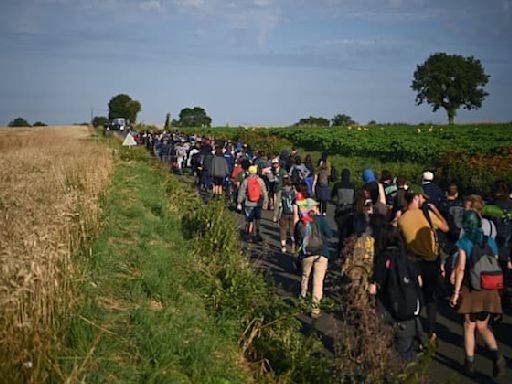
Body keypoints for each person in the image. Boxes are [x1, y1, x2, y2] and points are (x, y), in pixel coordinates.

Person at [450, 210, 505, 377]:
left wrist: (455, 292)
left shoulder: (464, 243)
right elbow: (494, 259)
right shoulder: (490, 241)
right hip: (490, 289)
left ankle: (470, 363)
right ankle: (496, 355)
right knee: (483, 326)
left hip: (472, 290)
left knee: (469, 326)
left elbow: (460, 269)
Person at [397, 186, 449, 344]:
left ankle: (417, 332)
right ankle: (432, 331)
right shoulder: (427, 215)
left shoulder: (402, 220)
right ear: (417, 197)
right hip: (431, 262)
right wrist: (437, 212)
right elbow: (446, 228)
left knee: (416, 296)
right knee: (431, 298)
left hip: (414, 263)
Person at [297, 198, 333, 318]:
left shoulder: (301, 222)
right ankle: (315, 309)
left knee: (305, 277)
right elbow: (329, 234)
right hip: (322, 253)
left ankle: (302, 300)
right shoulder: (320, 220)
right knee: (318, 282)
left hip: (306, 253)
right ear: (314, 208)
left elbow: (297, 238)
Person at [237, 165, 269, 242]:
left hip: (248, 203)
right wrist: (266, 202)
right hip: (258, 203)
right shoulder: (260, 180)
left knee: (249, 220)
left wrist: (239, 202)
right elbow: (264, 191)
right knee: (257, 219)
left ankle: (250, 235)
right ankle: (257, 233)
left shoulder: (246, 181)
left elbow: (241, 192)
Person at [331, 168, 355, 254]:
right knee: (349, 230)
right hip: (350, 210)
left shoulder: (337, 185)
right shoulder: (353, 186)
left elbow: (332, 196)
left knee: (341, 230)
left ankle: (340, 248)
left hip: (340, 210)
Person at [279, 174, 296, 254]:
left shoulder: (281, 191)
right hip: (293, 213)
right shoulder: (294, 191)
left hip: (284, 213)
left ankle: (283, 246)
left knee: (283, 229)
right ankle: (293, 243)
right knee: (292, 229)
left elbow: (278, 204)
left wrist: (275, 216)